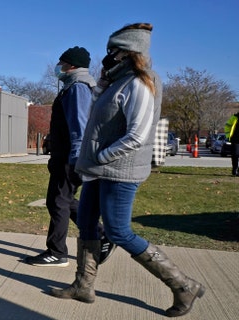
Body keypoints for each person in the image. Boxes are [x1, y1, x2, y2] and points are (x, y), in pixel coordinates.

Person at [50, 23, 205, 317]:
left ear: (128, 52)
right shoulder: (115, 82)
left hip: (119, 171)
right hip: (99, 169)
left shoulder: (140, 83)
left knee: (119, 231)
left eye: (113, 51)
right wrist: (103, 87)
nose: (108, 56)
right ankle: (84, 286)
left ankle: (184, 285)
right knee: (85, 223)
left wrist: (102, 155)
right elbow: (99, 122)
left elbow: (137, 134)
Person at [25, 47, 115, 267]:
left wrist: (76, 158)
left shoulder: (78, 88)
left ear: (72, 65)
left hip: (70, 158)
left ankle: (57, 252)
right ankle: (101, 234)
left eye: (62, 62)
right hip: (65, 156)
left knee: (57, 201)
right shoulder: (75, 87)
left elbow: (80, 125)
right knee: (65, 201)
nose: (58, 66)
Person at [224, 111, 239, 176]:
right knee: (235, 154)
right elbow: (227, 126)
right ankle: (235, 169)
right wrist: (228, 136)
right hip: (235, 139)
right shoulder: (234, 117)